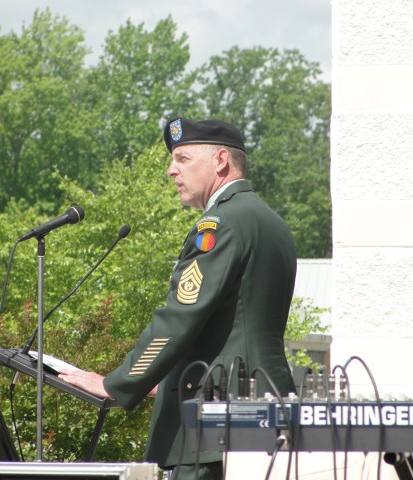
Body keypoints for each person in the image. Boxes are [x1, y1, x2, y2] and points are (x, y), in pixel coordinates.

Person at [58, 118, 298, 480]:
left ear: (220, 161)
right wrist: (164, 382)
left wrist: (117, 382)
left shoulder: (220, 224)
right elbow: (235, 327)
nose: (171, 170)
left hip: (215, 419)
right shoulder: (270, 221)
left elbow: (180, 317)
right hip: (267, 409)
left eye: (183, 159)